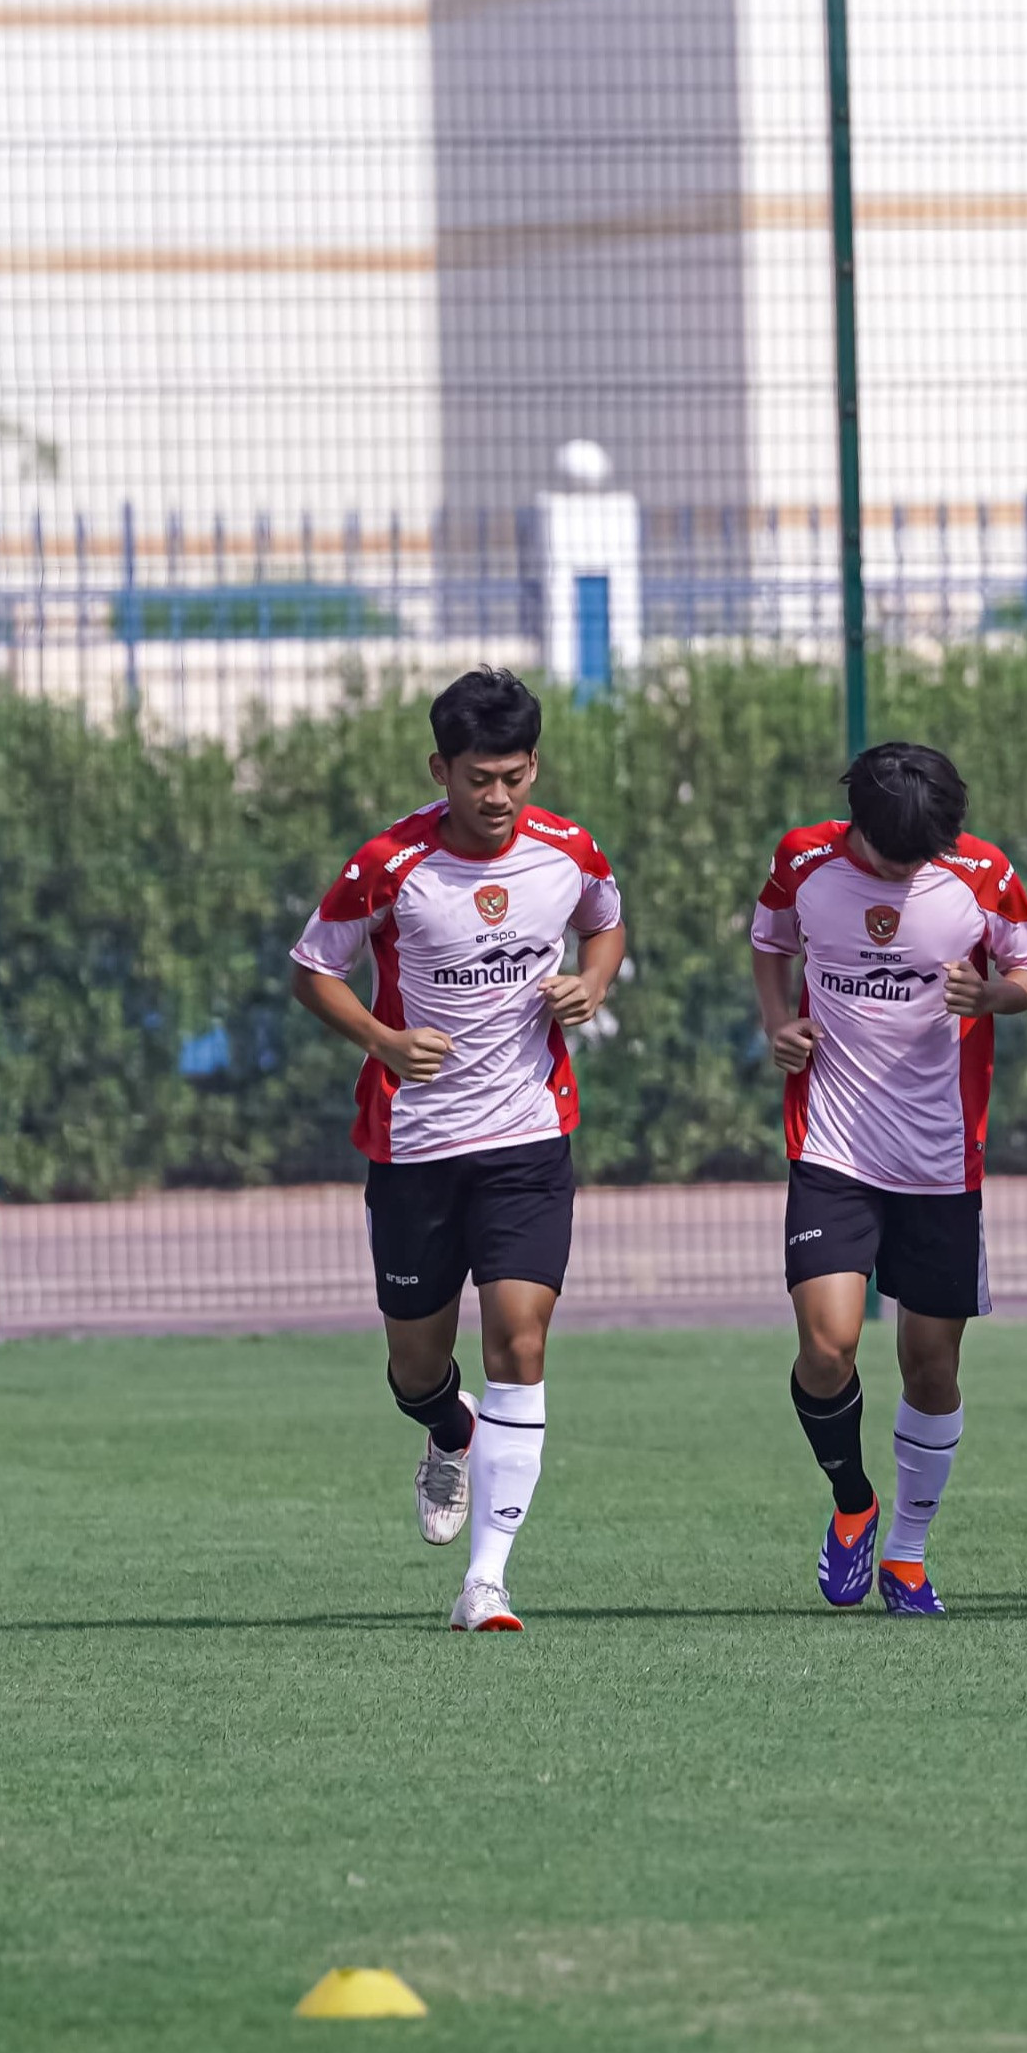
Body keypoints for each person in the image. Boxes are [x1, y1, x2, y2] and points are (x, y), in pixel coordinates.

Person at [287, 668, 627, 1633]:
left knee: (520, 1340)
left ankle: (487, 1581)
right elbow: (315, 968)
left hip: (527, 1137)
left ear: (533, 767)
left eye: (515, 776)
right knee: (414, 1368)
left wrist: (591, 984)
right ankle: (448, 1429)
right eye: (478, 777)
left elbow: (604, 922)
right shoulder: (387, 863)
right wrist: (384, 1043)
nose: (498, 797)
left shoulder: (568, 850)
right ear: (442, 768)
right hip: (416, 1146)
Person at [751, 741, 1027, 1618]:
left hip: (941, 1160)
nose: (907, 868)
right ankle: (853, 1503)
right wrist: (781, 1022)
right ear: (857, 828)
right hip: (834, 1149)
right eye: (892, 855)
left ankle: (909, 1556)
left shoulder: (984, 874)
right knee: (828, 1346)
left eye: (923, 855)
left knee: (929, 1363)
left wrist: (993, 998)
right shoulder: (803, 858)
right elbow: (770, 943)